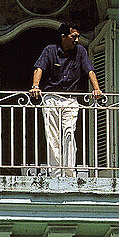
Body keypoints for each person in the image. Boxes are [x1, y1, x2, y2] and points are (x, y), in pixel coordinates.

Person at [30, 23, 102, 175]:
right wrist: (35, 86)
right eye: (73, 36)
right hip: (51, 99)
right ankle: (55, 173)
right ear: (63, 37)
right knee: (52, 136)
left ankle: (69, 173)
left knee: (69, 132)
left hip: (70, 99)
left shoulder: (80, 51)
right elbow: (39, 68)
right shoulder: (50, 50)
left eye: (78, 36)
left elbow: (90, 70)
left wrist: (96, 89)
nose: (77, 40)